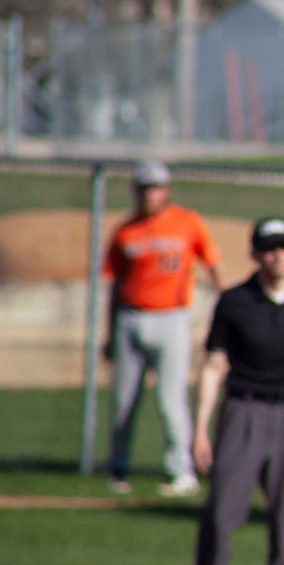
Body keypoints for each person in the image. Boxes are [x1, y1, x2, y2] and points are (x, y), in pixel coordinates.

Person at [171, 217, 284, 565]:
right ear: (255, 254)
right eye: (268, 248)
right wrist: (200, 428)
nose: (277, 255)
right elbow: (215, 365)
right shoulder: (235, 302)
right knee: (221, 515)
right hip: (244, 410)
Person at [103, 160, 222, 496]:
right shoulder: (125, 231)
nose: (150, 195)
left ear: (166, 191)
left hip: (172, 317)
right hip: (131, 317)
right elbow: (115, 282)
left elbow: (213, 263)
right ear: (135, 192)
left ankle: (181, 470)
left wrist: (225, 305)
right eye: (144, 188)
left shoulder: (187, 222)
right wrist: (109, 331)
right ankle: (118, 468)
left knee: (171, 400)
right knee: (124, 400)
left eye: (156, 188)